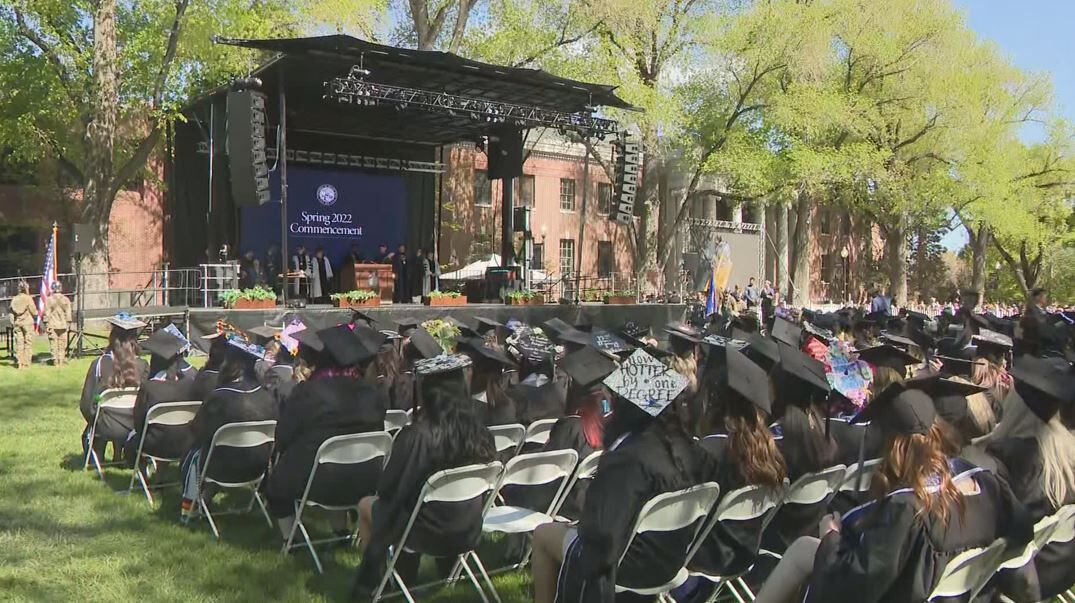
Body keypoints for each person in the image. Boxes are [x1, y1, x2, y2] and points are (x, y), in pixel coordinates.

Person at [754, 383, 1032, 603]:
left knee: (810, 550)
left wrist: (831, 537)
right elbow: (1021, 535)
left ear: (891, 443)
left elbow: (856, 588)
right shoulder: (984, 481)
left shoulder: (907, 508)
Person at [531, 349, 704, 603]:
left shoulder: (626, 459)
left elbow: (602, 537)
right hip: (669, 559)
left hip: (626, 565)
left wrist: (581, 525)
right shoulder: (684, 448)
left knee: (544, 534)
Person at [352, 353, 496, 596]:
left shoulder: (417, 435)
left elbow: (387, 489)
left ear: (428, 392)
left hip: (425, 532)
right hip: (467, 527)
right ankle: (429, 571)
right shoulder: (479, 432)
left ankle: (379, 582)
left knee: (368, 505)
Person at [263, 325, 389, 541]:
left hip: (318, 481)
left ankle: (290, 539)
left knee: (277, 485)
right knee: (337, 457)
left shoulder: (308, 392)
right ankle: (340, 530)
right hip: (368, 478)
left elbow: (283, 438)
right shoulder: (371, 392)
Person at [690, 347, 788, 582]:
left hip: (706, 558)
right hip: (745, 556)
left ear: (715, 402)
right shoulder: (768, 451)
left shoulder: (706, 452)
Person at [984, 356, 1075, 601]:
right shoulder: (1067, 452)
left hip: (1020, 576)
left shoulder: (1010, 457)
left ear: (1016, 405)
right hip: (1060, 566)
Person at [179, 335, 279, 523]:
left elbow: (197, 431)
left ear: (231, 364)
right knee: (218, 449)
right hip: (258, 467)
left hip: (222, 467)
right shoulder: (266, 397)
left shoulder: (220, 397)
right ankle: (206, 498)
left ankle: (189, 509)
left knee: (194, 454)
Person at [79, 313, 148, 458]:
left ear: (112, 336)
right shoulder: (142, 365)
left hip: (106, 426)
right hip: (133, 426)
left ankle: (97, 455)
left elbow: (86, 403)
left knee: (99, 403)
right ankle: (119, 454)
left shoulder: (99, 364)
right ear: (134, 339)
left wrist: (94, 420)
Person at [124, 328, 197, 463]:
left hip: (155, 446)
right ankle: (160, 475)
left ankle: (146, 476)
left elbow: (139, 424)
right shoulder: (190, 385)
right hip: (186, 444)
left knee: (134, 439)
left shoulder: (150, 387)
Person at [45, 281, 73, 366]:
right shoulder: (65, 299)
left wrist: (47, 324)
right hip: (63, 325)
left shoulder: (49, 300)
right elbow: (68, 314)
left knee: (54, 344)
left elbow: (47, 313)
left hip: (52, 324)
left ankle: (55, 361)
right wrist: (68, 324)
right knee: (62, 344)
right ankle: (61, 360)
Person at [8, 280, 35, 369]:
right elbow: (34, 312)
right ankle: (27, 363)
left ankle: (20, 363)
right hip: (27, 323)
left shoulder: (14, 299)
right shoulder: (28, 298)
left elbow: (11, 312)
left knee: (19, 343)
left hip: (18, 323)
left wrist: (13, 323)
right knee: (28, 342)